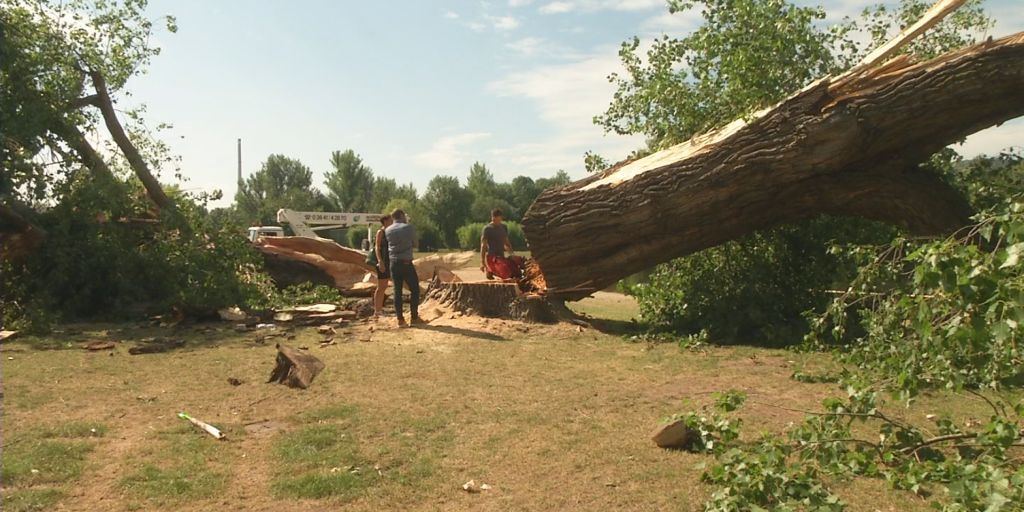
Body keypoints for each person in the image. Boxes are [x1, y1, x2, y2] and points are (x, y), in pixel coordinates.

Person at [385, 209, 422, 327]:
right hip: (406, 262)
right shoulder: (408, 227)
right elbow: (416, 244)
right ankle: (414, 317)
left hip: (393, 263)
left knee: (397, 291)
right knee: (415, 289)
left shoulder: (388, 229)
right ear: (401, 215)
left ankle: (400, 319)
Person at [480, 208, 524, 280]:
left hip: (501, 257)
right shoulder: (487, 229)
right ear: (492, 217)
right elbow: (483, 245)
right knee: (506, 273)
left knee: (517, 273)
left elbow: (506, 243)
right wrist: (482, 262)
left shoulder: (503, 227)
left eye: (499, 219)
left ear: (501, 218)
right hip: (492, 258)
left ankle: (494, 269)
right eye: (495, 219)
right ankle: (490, 270)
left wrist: (512, 255)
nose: (497, 221)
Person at [372, 214, 393, 317]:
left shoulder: (391, 232)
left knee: (385, 286)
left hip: (391, 262)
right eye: (390, 220)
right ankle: (377, 311)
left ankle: (380, 309)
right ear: (385, 221)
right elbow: (377, 247)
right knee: (381, 287)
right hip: (383, 262)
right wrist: (380, 261)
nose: (392, 222)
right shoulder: (380, 232)